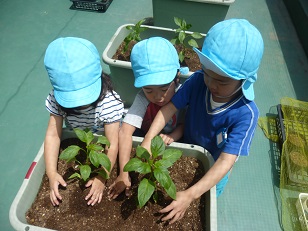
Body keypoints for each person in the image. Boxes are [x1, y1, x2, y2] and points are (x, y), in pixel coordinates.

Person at [140, 19, 264, 223]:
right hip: (186, 149)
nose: (212, 84)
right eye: (208, 74)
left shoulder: (246, 113)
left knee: (206, 200)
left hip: (214, 166)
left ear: (245, 80)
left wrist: (190, 194)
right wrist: (148, 139)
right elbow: (169, 107)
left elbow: (226, 161)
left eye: (222, 81)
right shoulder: (198, 81)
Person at [43, 37, 124, 206]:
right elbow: (53, 135)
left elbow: (112, 144)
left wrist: (102, 176)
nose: (80, 104)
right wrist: (51, 173)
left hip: (104, 138)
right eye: (71, 100)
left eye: (84, 96)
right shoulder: (56, 99)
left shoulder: (108, 102)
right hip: (82, 139)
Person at [108, 37, 188, 199]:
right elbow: (125, 132)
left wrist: (172, 136)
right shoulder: (142, 99)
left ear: (177, 76)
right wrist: (124, 173)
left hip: (172, 142)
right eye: (149, 90)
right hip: (145, 137)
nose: (158, 97)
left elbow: (183, 125)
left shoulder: (183, 96)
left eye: (164, 88)